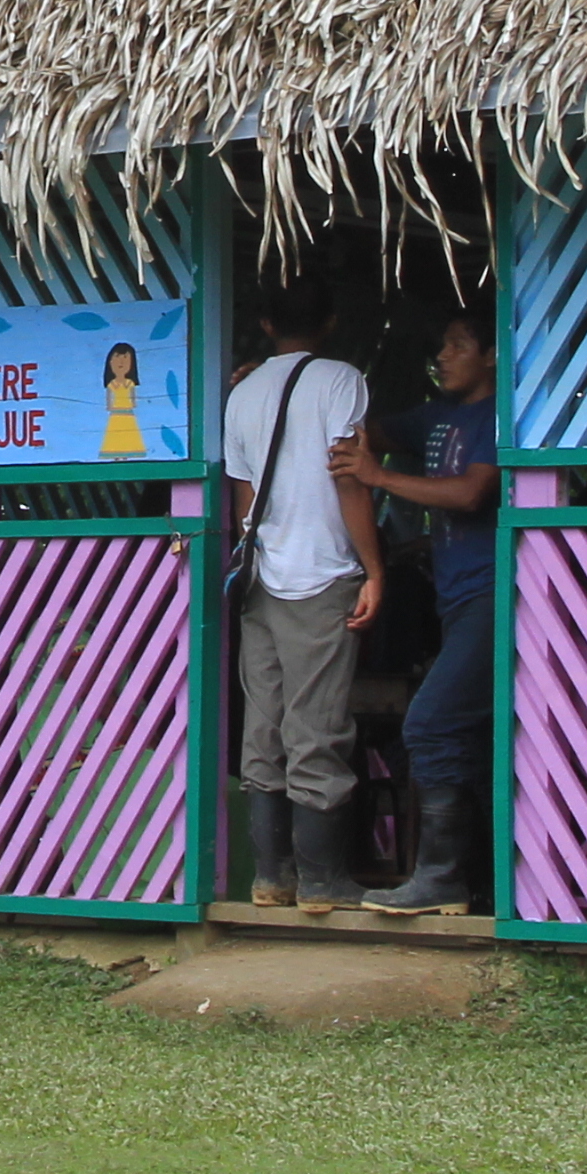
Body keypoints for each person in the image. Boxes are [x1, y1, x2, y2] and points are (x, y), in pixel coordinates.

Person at [334, 313, 501, 915]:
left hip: (494, 597)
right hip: (455, 602)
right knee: (473, 742)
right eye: (441, 344)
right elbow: (362, 430)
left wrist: (378, 477)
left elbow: (470, 492)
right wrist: (290, 390)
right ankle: (482, 883)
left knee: (429, 725)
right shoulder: (434, 417)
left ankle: (441, 880)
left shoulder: (496, 416)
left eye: (458, 344)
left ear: (491, 356)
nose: (443, 355)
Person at [222, 287, 376, 910]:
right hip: (322, 573)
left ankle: (270, 877)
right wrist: (374, 568)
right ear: (332, 320)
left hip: (262, 578)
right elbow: (352, 475)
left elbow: (242, 496)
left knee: (265, 725)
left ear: (263, 322)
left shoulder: (242, 392)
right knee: (317, 726)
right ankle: (321, 881)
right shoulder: (343, 380)